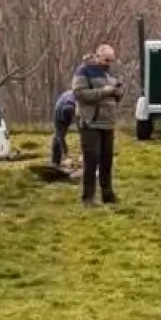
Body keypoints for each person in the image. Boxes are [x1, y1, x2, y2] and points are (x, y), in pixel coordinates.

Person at [71, 43, 123, 205]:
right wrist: (105, 91)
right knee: (91, 160)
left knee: (106, 161)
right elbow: (79, 94)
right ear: (97, 56)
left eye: (111, 60)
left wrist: (118, 91)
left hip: (108, 122)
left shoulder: (109, 73)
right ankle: (88, 197)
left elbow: (116, 95)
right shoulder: (83, 71)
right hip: (90, 122)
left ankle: (108, 195)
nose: (108, 63)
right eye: (106, 60)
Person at [50, 87, 77, 169]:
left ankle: (55, 161)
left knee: (58, 136)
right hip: (60, 113)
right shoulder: (70, 103)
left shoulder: (74, 95)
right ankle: (59, 159)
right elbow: (68, 108)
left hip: (62, 110)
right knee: (59, 136)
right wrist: (66, 153)